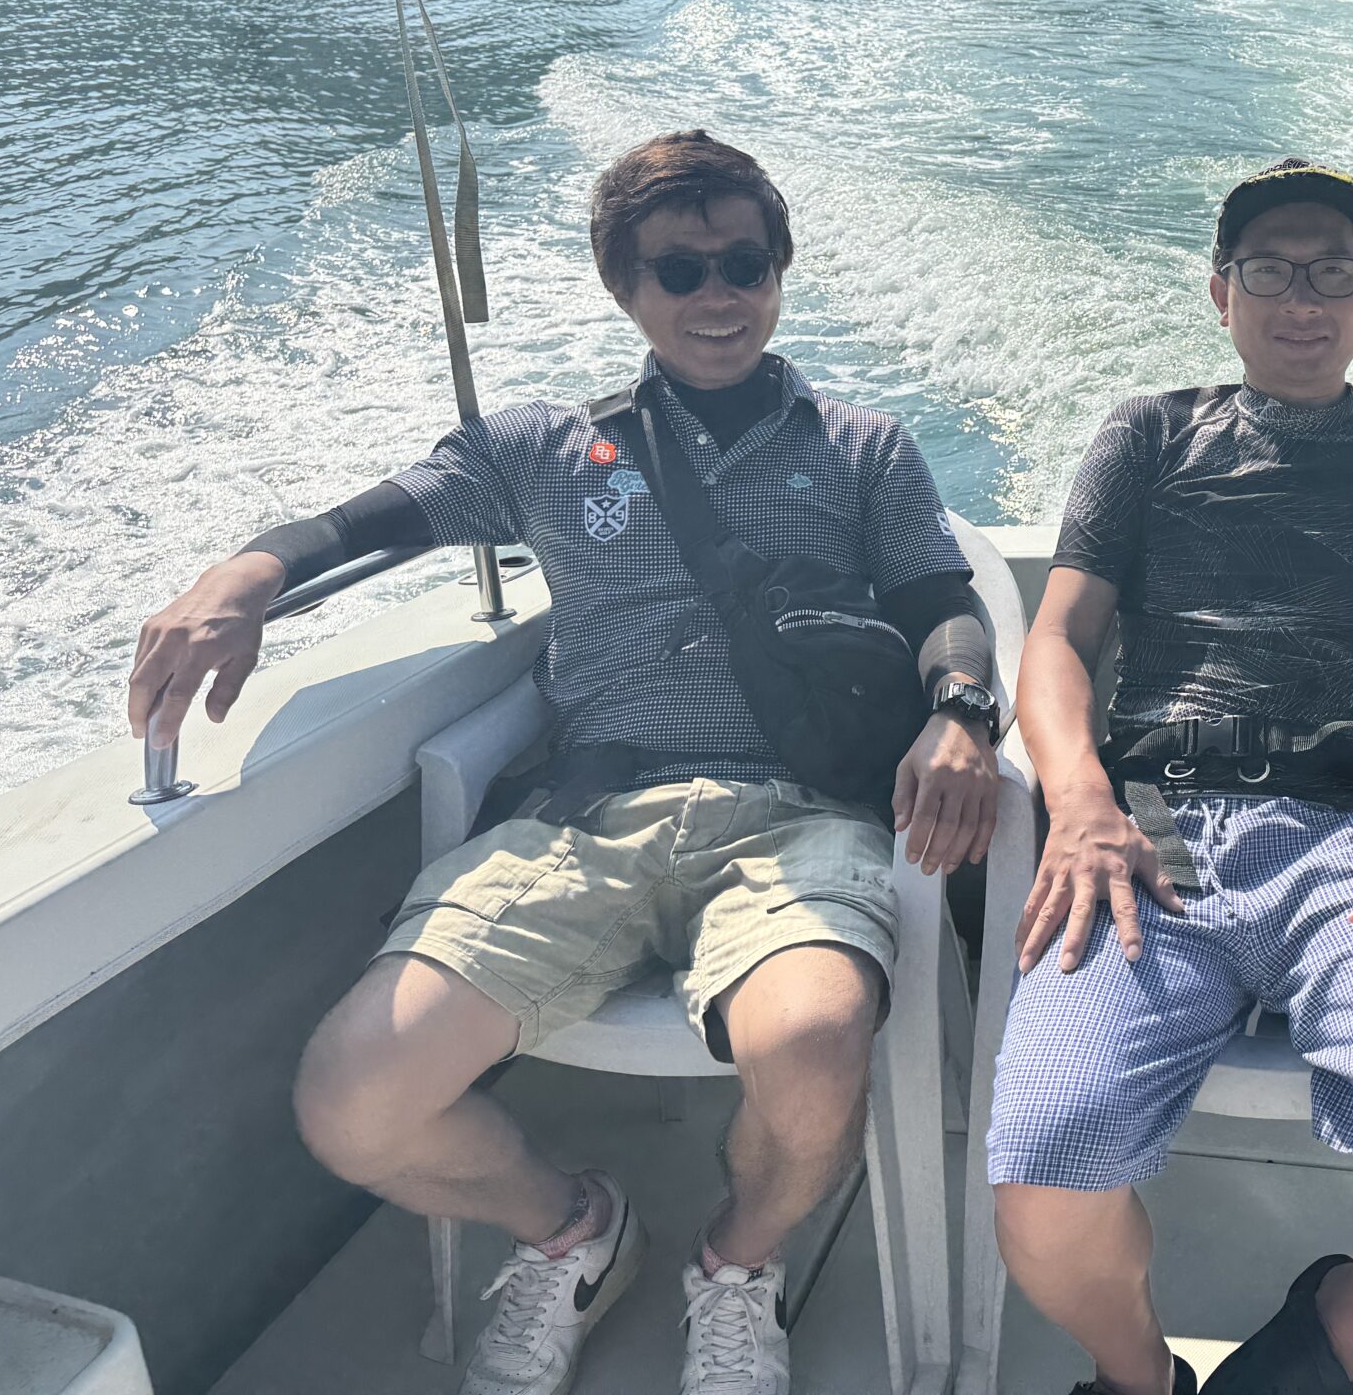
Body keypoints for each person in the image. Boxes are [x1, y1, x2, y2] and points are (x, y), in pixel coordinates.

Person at [125, 131, 1004, 1395]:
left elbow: (938, 599)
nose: (718, 295)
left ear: (780, 269)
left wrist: (962, 709)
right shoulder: (542, 446)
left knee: (815, 1045)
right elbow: (372, 519)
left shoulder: (862, 446)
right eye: (679, 270)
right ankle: (573, 1231)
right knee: (352, 1099)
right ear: (621, 286)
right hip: (590, 816)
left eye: (745, 264)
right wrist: (244, 574)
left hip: (802, 815)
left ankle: (737, 1261)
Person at [985, 160, 1353, 1395]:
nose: (1303, 300)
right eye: (1269, 272)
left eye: (1333, 273)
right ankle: (1138, 1379)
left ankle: (1321, 1342)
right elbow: (1058, 640)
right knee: (1043, 1167)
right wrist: (1077, 796)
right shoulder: (1148, 434)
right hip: (1151, 830)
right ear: (1220, 292)